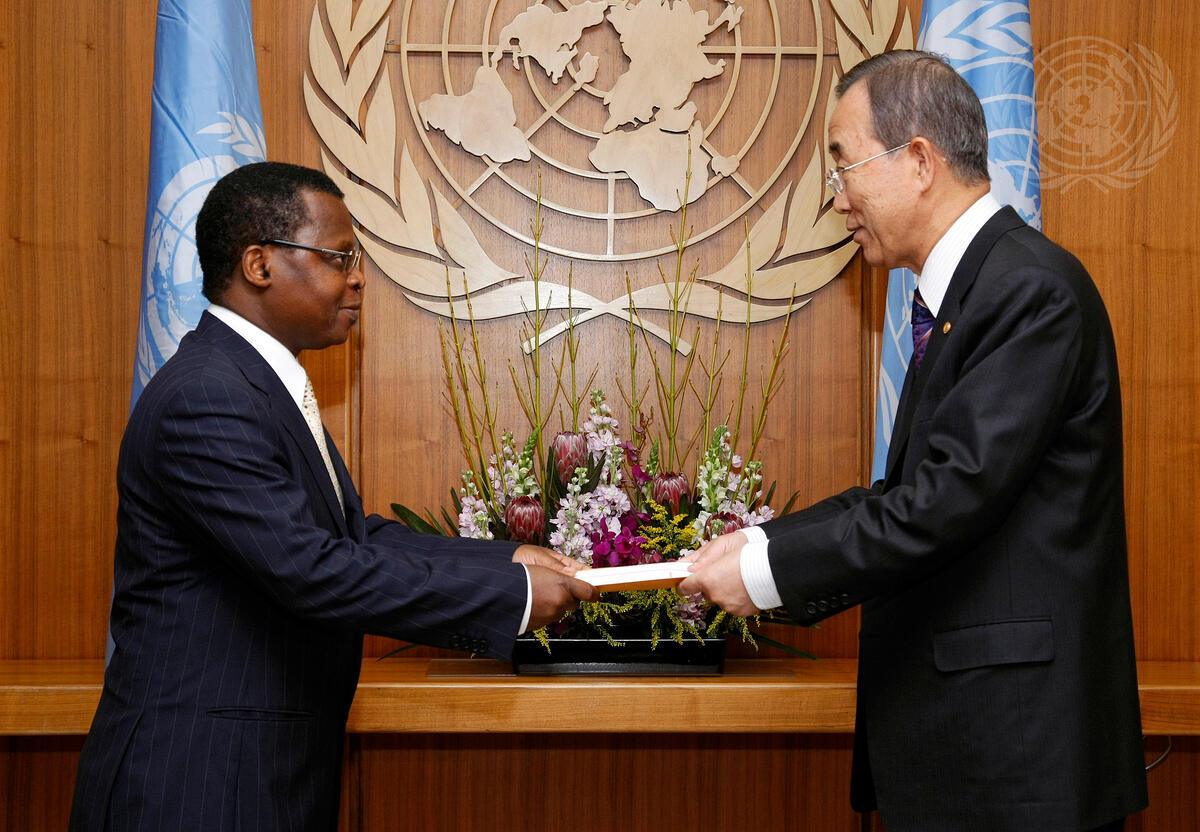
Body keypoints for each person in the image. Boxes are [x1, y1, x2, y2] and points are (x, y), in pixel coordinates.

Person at [679, 51, 1147, 831]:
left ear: (920, 161)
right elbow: (904, 496)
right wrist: (758, 546)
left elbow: (942, 504)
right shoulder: (972, 294)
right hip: (973, 752)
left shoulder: (1028, 292)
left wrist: (765, 573)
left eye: (844, 166)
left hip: (1017, 761)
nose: (838, 198)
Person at [69, 161, 597, 831]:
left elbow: (352, 538)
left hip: (255, 771)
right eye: (338, 256)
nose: (358, 277)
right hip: (198, 781)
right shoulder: (207, 396)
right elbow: (312, 570)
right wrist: (511, 595)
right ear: (259, 264)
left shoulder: (251, 382)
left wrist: (509, 559)